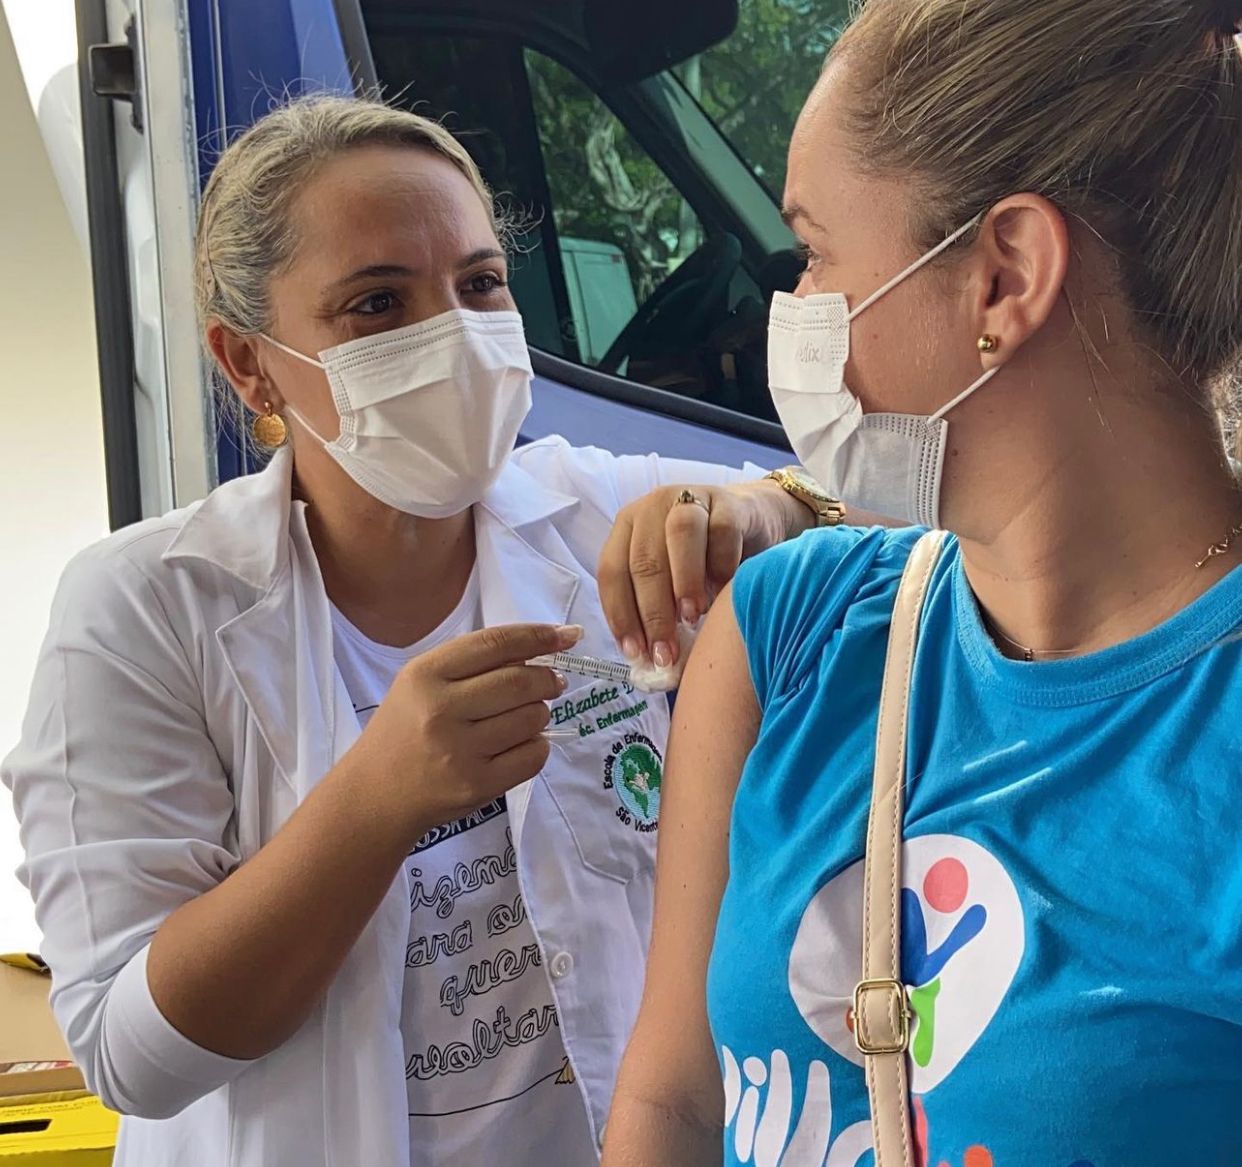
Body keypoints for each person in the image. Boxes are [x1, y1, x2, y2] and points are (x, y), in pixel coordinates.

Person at [0, 95, 849, 1167]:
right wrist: (378, 797)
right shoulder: (143, 610)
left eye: (479, 284)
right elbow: (136, 1056)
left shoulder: (583, 512)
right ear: (250, 364)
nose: (449, 333)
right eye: (375, 304)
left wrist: (771, 510)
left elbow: (889, 507)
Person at [603, 2, 1242, 1165]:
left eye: (815, 252)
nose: (788, 315)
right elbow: (672, 1102)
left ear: (1002, 278)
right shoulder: (784, 635)